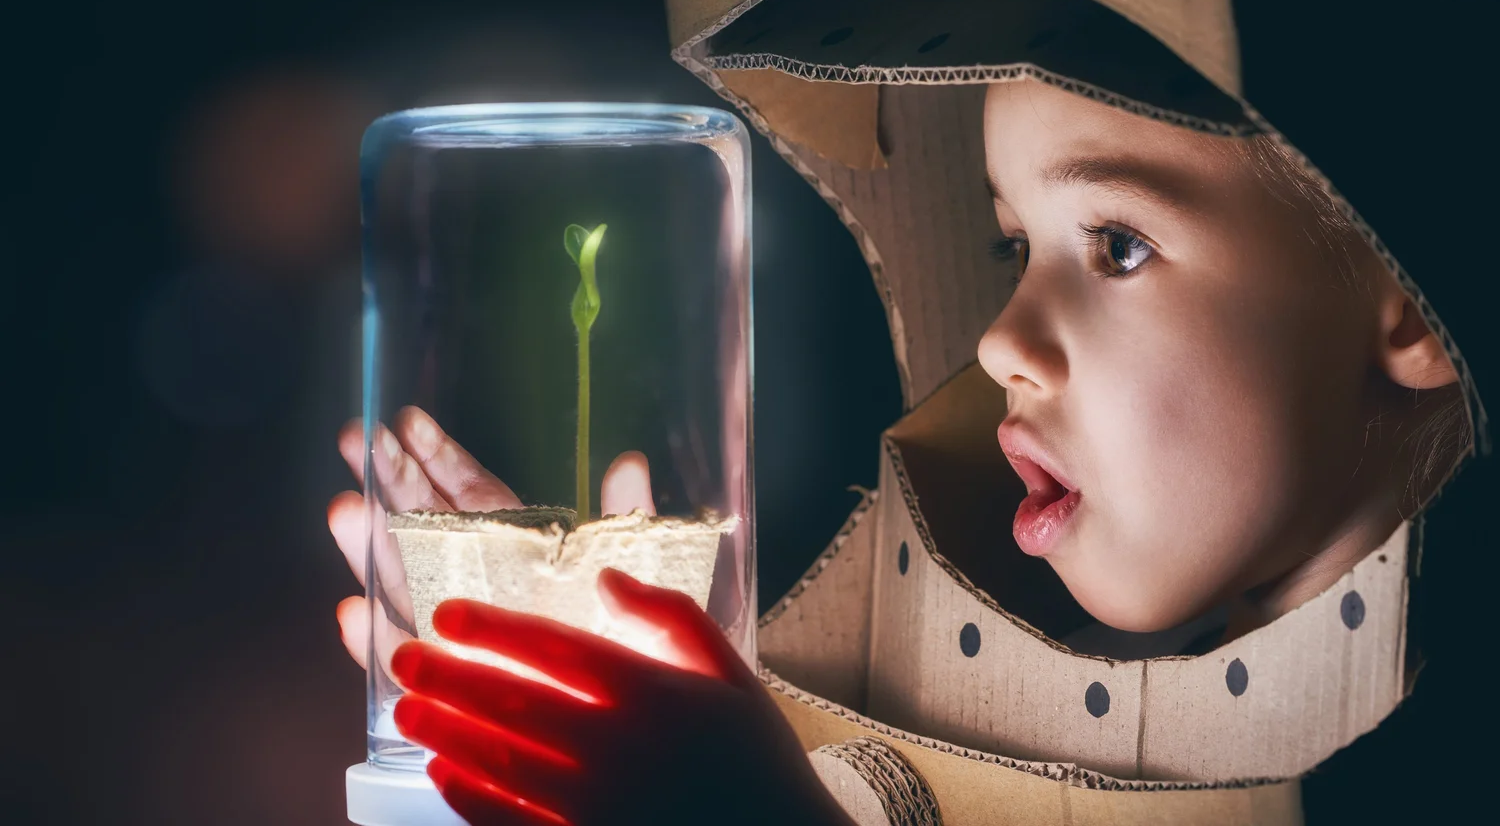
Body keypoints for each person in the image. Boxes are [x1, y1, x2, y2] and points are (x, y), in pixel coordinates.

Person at [324, 71, 1470, 824]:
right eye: (1013, 245)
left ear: (1409, 306)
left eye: (1117, 246)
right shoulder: (1006, 701)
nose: (1000, 339)